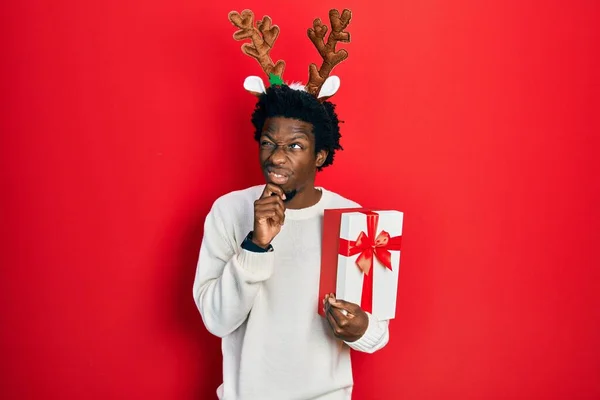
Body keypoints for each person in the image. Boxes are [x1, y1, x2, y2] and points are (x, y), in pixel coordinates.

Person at [192, 9, 389, 400]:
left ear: (320, 156)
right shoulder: (228, 211)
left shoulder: (352, 219)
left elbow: (377, 332)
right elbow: (216, 320)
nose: (276, 157)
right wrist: (255, 246)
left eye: (295, 146)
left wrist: (362, 327)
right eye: (269, 142)